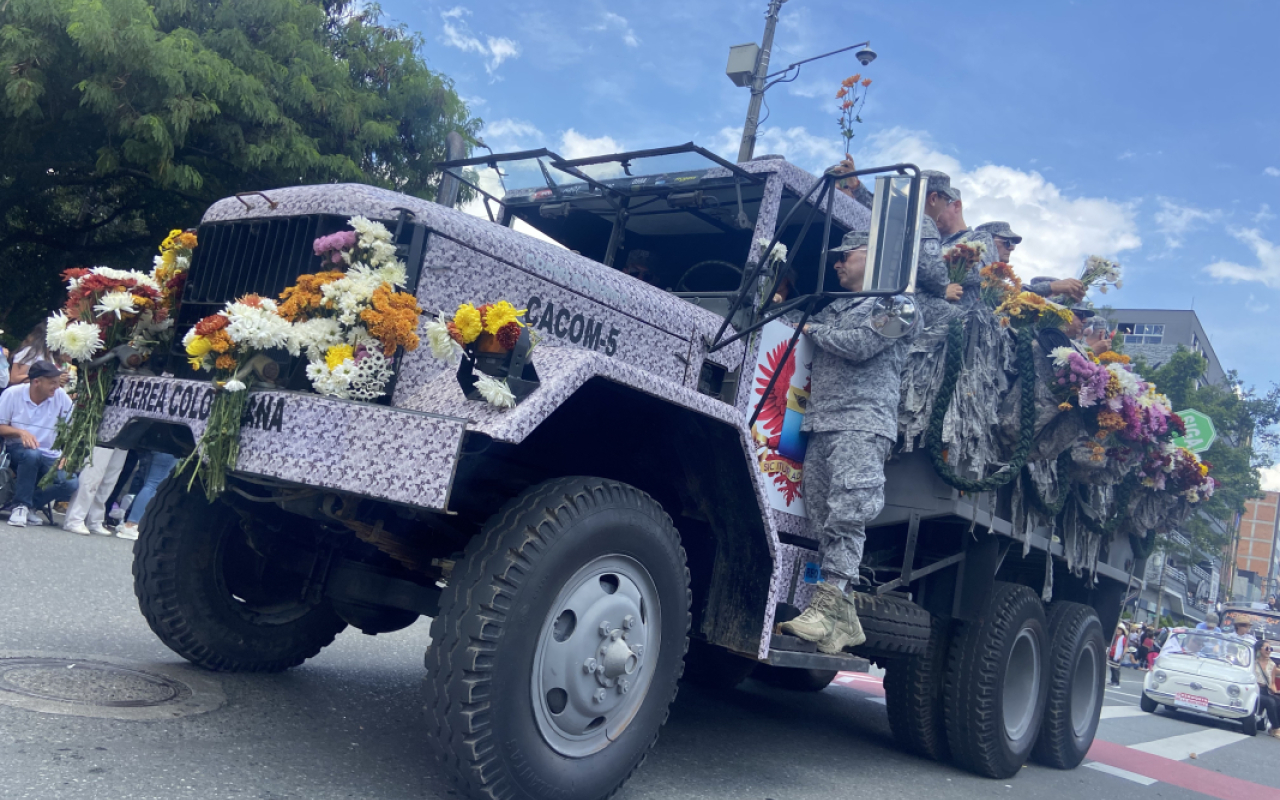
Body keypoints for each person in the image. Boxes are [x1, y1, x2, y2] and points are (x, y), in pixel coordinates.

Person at [777, 230, 915, 653]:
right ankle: (846, 619)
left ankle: (826, 605)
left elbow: (861, 345)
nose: (837, 263)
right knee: (821, 515)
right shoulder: (835, 307)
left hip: (863, 423)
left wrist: (814, 330)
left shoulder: (900, 305)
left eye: (845, 256)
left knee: (848, 512)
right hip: (822, 423)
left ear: (873, 258)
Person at [0, 360, 79, 527]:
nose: (57, 387)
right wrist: (20, 432)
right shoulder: (12, 394)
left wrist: (67, 455)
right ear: (36, 382)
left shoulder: (61, 397)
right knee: (31, 454)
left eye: (57, 383)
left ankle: (30, 505)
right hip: (17, 449)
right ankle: (20, 505)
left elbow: (73, 430)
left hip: (50, 453)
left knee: (70, 482)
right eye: (52, 383)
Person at [972, 221, 1087, 302]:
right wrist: (1050, 287)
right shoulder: (972, 268)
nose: (1012, 248)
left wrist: (1064, 298)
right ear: (987, 242)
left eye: (1013, 244)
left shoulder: (993, 276)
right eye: (1007, 242)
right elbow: (1007, 294)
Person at [62, 446, 129, 536]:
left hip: (127, 438)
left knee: (109, 480)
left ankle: (95, 520)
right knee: (92, 474)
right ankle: (75, 519)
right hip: (106, 438)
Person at [114, 451, 178, 540]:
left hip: (155, 446)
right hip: (169, 449)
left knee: (149, 483)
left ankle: (131, 523)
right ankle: (132, 524)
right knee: (154, 485)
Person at [1255, 640, 1280, 738]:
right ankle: (1277, 728)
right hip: (1254, 689)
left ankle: (1273, 728)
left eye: (1270, 649)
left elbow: (1272, 682)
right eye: (1266, 648)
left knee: (1278, 700)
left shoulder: (1272, 665)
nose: (1269, 650)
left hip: (1266, 690)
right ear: (1259, 649)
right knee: (1270, 702)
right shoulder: (1252, 662)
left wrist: (1275, 690)